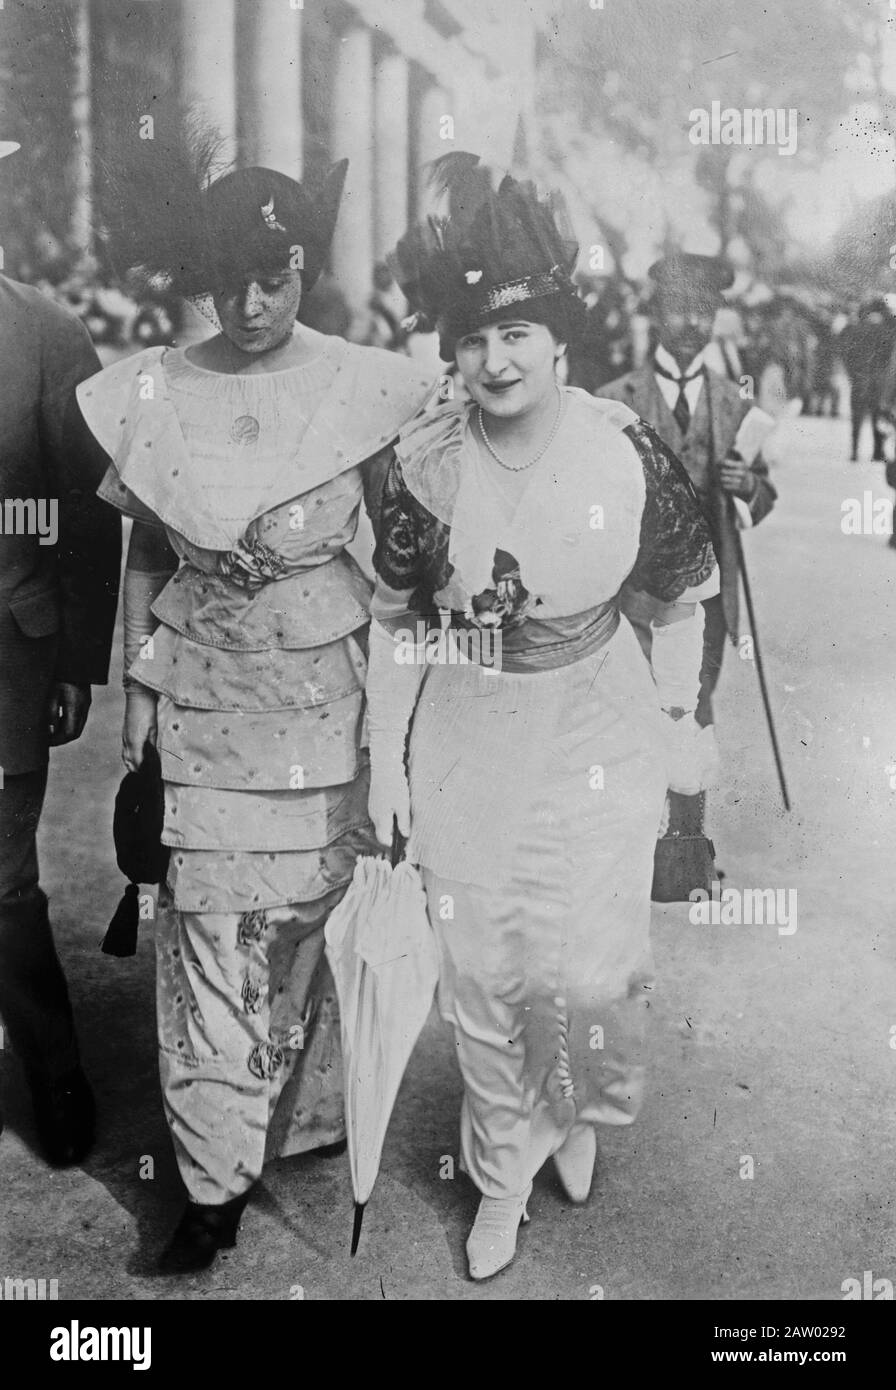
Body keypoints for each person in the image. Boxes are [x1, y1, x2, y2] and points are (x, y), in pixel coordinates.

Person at [77, 131, 433, 1272]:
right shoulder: (155, 389)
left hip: (324, 702)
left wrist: (402, 717)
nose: (247, 303)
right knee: (205, 930)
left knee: (299, 919)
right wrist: (139, 683)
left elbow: (402, 565)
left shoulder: (364, 385)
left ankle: (293, 1115)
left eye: (272, 279)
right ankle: (212, 1177)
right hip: (204, 700)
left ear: (304, 274)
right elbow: (142, 553)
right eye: (226, 279)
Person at [363, 154, 718, 1281]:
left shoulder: (622, 451)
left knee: (590, 954)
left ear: (559, 336)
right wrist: (386, 765)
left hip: (598, 719)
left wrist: (670, 719)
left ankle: (572, 1112)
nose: (493, 359)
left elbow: (686, 591)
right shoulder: (422, 466)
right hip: (471, 718)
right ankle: (500, 1175)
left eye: (515, 334)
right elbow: (396, 622)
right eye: (470, 338)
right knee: (484, 962)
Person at [0, 140, 121, 1166]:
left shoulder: (43, 332)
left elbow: (90, 509)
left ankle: (55, 1072)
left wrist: (80, 659)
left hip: (7, 656)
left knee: (0, 880)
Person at [600, 254, 777, 896]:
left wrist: (748, 485)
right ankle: (630, 837)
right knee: (629, 709)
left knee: (692, 708)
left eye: (702, 308)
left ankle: (683, 852)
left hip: (707, 596)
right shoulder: (617, 400)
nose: (689, 321)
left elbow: (764, 497)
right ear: (654, 313)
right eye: (676, 306)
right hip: (631, 592)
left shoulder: (736, 404)